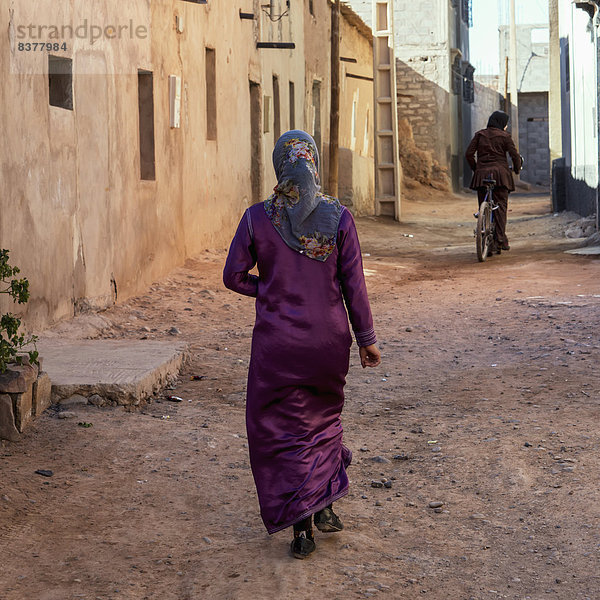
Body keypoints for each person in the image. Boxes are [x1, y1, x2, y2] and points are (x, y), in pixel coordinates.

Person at [223, 130, 381, 560]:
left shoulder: (257, 218)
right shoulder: (339, 217)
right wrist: (366, 340)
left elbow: (233, 277)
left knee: (284, 429)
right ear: (312, 161)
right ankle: (325, 500)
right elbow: (355, 287)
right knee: (322, 420)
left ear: (281, 166)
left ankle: (302, 530)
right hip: (329, 343)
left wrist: (270, 289)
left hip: (278, 346)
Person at [465, 110, 522, 253]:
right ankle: (500, 240)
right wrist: (517, 169)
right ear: (501, 123)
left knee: (483, 206)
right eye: (506, 124)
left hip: (482, 175)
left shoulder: (480, 135)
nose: (506, 127)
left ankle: (486, 237)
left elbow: (469, 154)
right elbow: (514, 155)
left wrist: (476, 169)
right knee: (500, 208)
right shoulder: (505, 136)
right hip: (501, 175)